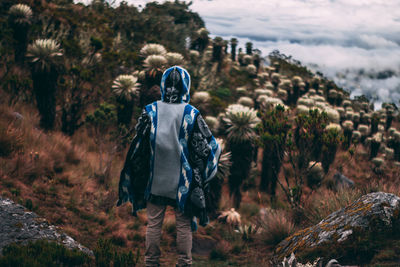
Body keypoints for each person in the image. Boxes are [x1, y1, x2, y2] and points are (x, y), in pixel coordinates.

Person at [117, 66, 221, 267]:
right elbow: (211, 147)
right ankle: (184, 263)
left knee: (153, 224)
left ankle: (151, 262)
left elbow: (138, 144)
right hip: (182, 182)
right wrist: (204, 173)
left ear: (164, 85)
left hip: (155, 180)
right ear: (186, 86)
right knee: (183, 226)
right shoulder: (191, 113)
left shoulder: (151, 110)